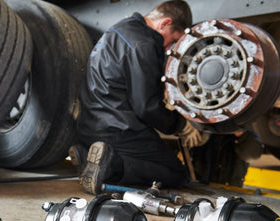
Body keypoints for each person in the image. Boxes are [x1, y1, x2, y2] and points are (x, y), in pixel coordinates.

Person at [70, 1, 197, 194]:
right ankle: (112, 164)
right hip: (116, 130)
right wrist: (178, 125)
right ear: (165, 23)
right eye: (173, 40)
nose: (168, 48)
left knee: (153, 154)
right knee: (177, 173)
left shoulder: (118, 30)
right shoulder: (144, 43)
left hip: (90, 125)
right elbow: (146, 107)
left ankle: (87, 153)